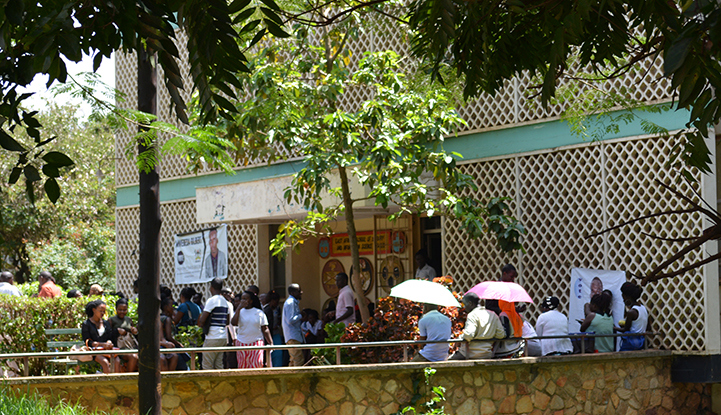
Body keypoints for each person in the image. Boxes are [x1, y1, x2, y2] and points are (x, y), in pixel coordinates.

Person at [450, 293, 504, 360]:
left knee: (446, 363)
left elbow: (469, 335)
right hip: (487, 354)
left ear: (470, 303)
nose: (463, 307)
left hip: (469, 354)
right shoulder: (493, 314)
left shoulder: (472, 315)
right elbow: (501, 335)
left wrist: (459, 338)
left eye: (464, 304)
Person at [231, 291, 273, 368]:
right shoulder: (239, 312)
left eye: (245, 299)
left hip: (256, 342)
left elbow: (265, 329)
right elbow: (233, 323)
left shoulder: (259, 312)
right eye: (242, 299)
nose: (242, 301)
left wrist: (270, 342)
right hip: (242, 342)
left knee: (257, 364)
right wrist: (239, 308)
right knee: (243, 366)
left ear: (251, 301)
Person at [197, 278, 231, 370]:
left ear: (211, 287)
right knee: (218, 364)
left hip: (212, 336)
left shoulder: (211, 300)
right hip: (222, 337)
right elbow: (227, 321)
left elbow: (202, 320)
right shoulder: (224, 301)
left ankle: (209, 384)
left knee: (207, 365)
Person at [108, 298, 140, 369]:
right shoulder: (111, 320)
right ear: (116, 309)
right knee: (134, 357)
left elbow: (134, 337)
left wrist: (135, 332)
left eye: (124, 310)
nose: (122, 312)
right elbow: (108, 336)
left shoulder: (128, 319)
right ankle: (128, 378)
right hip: (119, 348)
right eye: (120, 310)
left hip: (130, 346)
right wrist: (117, 331)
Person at [617, 282, 649, 351]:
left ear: (627, 297)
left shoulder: (631, 312)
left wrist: (613, 327)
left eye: (623, 297)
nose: (623, 299)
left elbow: (625, 330)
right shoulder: (643, 308)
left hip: (631, 343)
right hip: (641, 342)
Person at [282, 284, 304, 366]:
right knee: (298, 360)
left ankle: (289, 378)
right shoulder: (290, 303)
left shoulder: (292, 302)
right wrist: (301, 315)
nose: (301, 293)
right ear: (292, 292)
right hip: (293, 336)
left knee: (293, 360)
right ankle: (297, 378)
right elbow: (290, 320)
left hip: (292, 336)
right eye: (299, 291)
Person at [263, 290, 283, 368]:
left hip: (276, 332)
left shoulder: (277, 309)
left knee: (278, 353)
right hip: (269, 334)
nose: (277, 303)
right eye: (276, 301)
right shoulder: (266, 309)